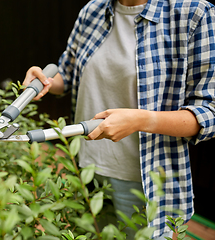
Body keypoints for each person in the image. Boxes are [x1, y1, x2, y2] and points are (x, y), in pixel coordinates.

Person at [22, 0, 215, 239]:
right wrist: (42, 80)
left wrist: (141, 120)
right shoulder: (93, 10)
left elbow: (209, 112)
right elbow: (67, 74)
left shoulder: (193, 13)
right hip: (85, 170)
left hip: (144, 180)